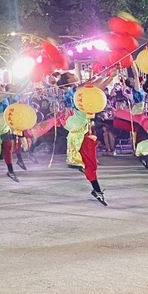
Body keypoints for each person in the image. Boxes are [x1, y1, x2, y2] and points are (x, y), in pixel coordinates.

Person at [59, 70, 117, 206]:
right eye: (72, 74)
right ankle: (95, 188)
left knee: (90, 163)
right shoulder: (75, 90)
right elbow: (97, 88)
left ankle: (96, 189)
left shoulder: (77, 88)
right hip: (78, 127)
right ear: (68, 79)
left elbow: (94, 85)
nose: (74, 75)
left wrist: (107, 75)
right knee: (89, 162)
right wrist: (110, 77)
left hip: (81, 128)